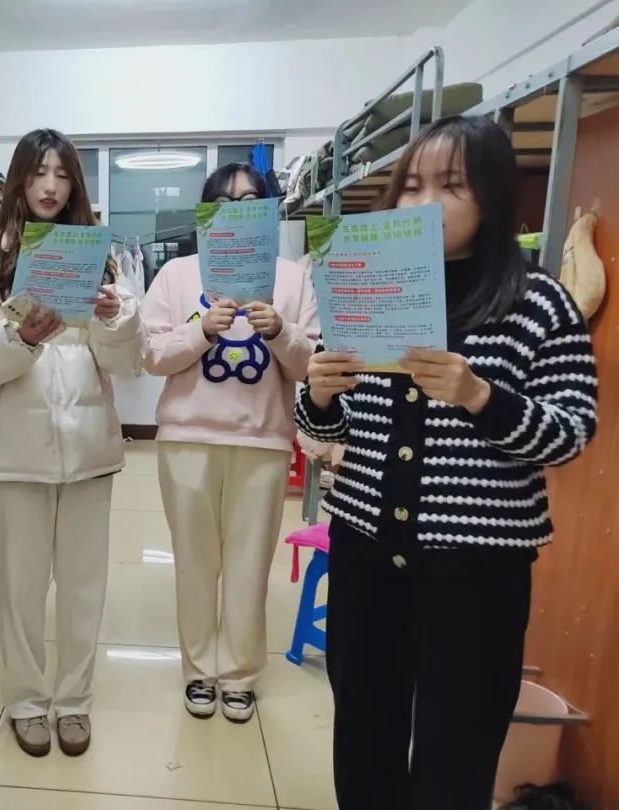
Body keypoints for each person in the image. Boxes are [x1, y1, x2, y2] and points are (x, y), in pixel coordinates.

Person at [294, 116, 599, 810]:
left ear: (492, 197)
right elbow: (320, 430)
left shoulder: (538, 302)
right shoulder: (365, 291)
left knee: (456, 753)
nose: (424, 204)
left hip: (476, 572)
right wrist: (318, 394)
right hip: (367, 554)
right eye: (411, 186)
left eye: (451, 186)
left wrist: (479, 396)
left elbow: (571, 433)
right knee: (363, 738)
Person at [0, 128, 143, 758]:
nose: (50, 186)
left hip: (88, 452)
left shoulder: (100, 258)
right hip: (15, 456)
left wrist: (115, 319)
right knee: (21, 589)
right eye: (38, 173)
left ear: (75, 184)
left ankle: (75, 700)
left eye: (61, 174)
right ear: (20, 180)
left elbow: (127, 362)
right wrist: (22, 338)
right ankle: (28, 701)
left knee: (84, 589)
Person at [141, 162, 319, 722]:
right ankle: (199, 670)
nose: (236, 211)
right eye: (223, 202)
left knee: (249, 566)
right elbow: (151, 355)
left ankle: (239, 673)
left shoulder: (291, 278)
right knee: (195, 565)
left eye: (249, 201)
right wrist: (201, 328)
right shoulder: (178, 274)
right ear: (206, 212)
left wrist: (280, 331)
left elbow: (311, 365)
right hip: (186, 438)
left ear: (267, 209)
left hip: (263, 440)